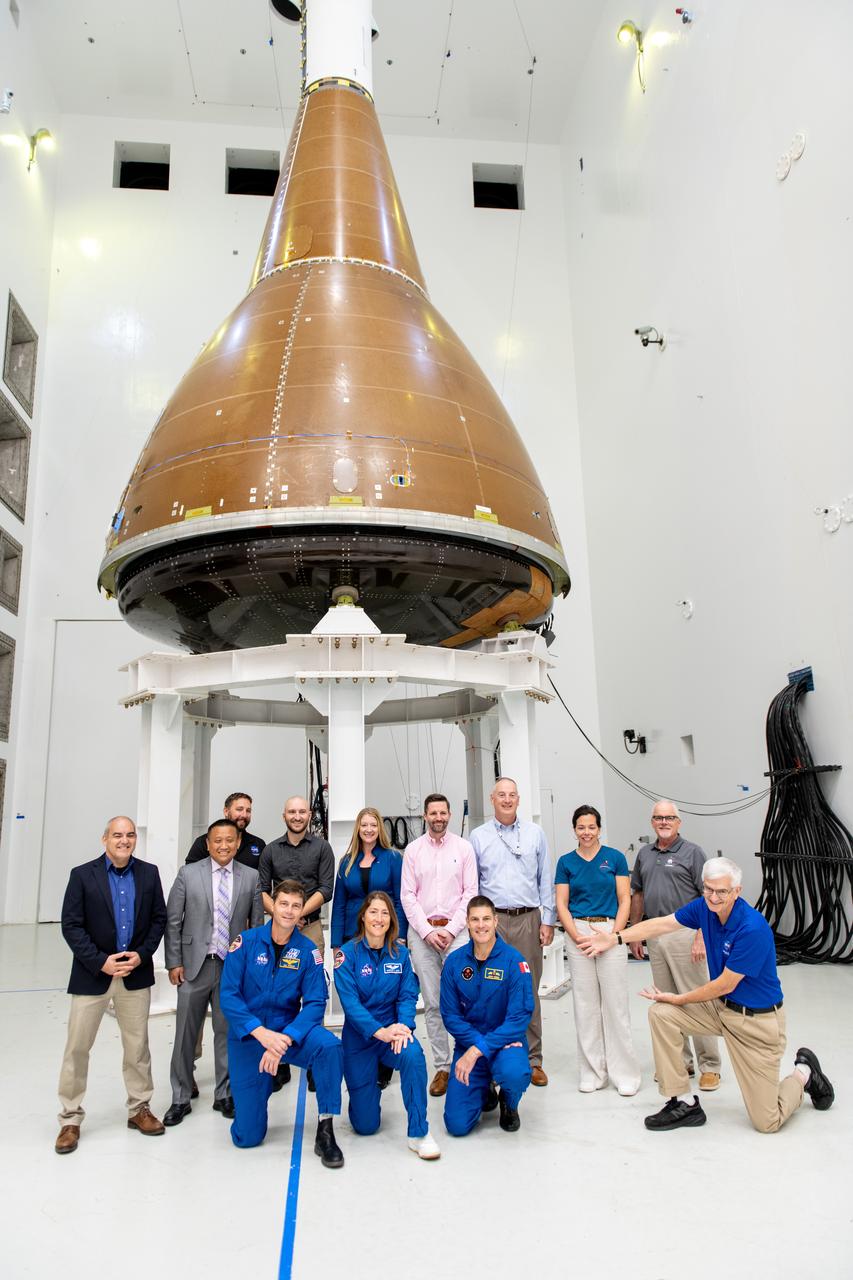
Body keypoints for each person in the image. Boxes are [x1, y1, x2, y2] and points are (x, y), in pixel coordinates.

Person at [578, 857, 835, 1133]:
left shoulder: (752, 928)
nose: (713, 897)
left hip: (756, 1022)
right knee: (662, 1014)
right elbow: (663, 924)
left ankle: (804, 1074)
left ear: (736, 891)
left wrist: (679, 998)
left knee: (767, 1121)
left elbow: (725, 984)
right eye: (708, 889)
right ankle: (683, 1102)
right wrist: (615, 938)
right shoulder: (705, 908)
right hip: (721, 1009)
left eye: (721, 891)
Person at [55, 816, 167, 1154]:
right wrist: (100, 961)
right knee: (77, 1048)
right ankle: (70, 1118)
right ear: (105, 838)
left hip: (134, 975)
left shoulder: (149, 873)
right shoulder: (82, 875)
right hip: (93, 975)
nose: (124, 840)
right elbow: (71, 925)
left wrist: (141, 955)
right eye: (117, 835)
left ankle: (139, 1108)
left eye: (130, 835)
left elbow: (158, 920)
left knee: (137, 1047)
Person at [219, 878, 346, 1166]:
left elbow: (315, 1002)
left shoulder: (308, 952)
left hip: (288, 1034)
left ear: (302, 911)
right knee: (247, 1137)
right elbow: (229, 996)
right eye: (284, 904)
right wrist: (261, 1034)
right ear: (272, 906)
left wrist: (285, 1039)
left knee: (329, 1047)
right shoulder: (245, 943)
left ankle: (325, 1130)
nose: (289, 911)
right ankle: (259, 1088)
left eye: (296, 906)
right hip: (250, 1037)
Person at [163, 818, 263, 1125]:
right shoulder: (188, 874)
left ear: (238, 843)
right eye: (217, 840)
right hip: (193, 965)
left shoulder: (251, 877)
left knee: (227, 1031)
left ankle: (225, 1094)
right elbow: (173, 921)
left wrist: (250, 968)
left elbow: (256, 927)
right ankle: (180, 1097)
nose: (223, 845)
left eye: (229, 840)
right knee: (185, 1034)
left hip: (232, 968)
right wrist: (174, 962)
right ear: (208, 844)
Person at [334, 890, 440, 1160]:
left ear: (392, 920)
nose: (378, 918)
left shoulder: (400, 954)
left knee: (413, 1055)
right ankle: (366, 1092)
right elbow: (351, 1005)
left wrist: (404, 1027)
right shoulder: (346, 955)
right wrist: (379, 1032)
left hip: (393, 1034)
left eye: (384, 913)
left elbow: (407, 995)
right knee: (365, 1126)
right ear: (363, 917)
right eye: (373, 912)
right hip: (360, 1039)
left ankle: (419, 1133)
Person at [630, 799, 721, 1091]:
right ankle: (681, 1062)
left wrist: (702, 936)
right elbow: (638, 893)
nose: (664, 822)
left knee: (696, 998)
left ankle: (710, 1065)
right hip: (656, 934)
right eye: (659, 818)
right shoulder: (645, 854)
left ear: (678, 822)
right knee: (666, 1001)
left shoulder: (693, 853)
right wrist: (635, 932)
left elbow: (708, 898)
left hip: (686, 934)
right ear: (652, 822)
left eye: (669, 818)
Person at [469, 777, 554, 1085]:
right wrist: (477, 926)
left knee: (528, 989)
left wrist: (548, 920)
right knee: (491, 991)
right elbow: (473, 884)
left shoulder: (535, 834)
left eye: (512, 795)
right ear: (492, 799)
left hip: (528, 919)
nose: (507, 800)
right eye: (501, 795)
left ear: (519, 799)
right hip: (491, 924)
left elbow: (545, 878)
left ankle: (533, 1059)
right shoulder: (478, 837)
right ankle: (494, 1057)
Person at [555, 804, 640, 1095]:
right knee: (585, 1005)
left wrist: (615, 936)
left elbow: (624, 899)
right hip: (578, 932)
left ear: (599, 829)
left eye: (591, 827)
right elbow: (561, 904)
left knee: (616, 1005)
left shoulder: (614, 858)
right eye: (581, 827)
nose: (587, 832)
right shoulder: (566, 862)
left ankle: (625, 1074)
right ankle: (593, 1071)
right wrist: (576, 936)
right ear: (574, 830)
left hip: (609, 930)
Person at [400, 792, 478, 1097]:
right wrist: (427, 932)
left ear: (449, 814)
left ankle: (467, 1059)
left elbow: (470, 892)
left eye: (443, 813)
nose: (438, 818)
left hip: (457, 933)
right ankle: (443, 1067)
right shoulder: (413, 851)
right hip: (423, 935)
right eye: (433, 813)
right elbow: (408, 896)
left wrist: (452, 929)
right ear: (425, 816)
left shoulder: (464, 848)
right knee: (433, 1003)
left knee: (465, 999)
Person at [440, 895, 534, 1136]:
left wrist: (479, 1049)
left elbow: (519, 1018)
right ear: (467, 923)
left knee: (515, 1073)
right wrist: (475, 1047)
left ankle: (508, 1102)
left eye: (486, 919)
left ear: (495, 921)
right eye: (475, 919)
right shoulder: (454, 963)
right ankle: (484, 1088)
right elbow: (450, 1016)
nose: (481, 925)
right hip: (469, 1044)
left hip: (505, 1044)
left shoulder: (514, 961)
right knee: (457, 1125)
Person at [257, 796, 334, 951]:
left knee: (312, 968)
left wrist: (295, 915)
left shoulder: (323, 848)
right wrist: (282, 916)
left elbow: (326, 890)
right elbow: (261, 891)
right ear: (284, 816)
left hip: (310, 928)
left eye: (302, 812)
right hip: (277, 928)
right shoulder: (270, 850)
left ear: (310, 815)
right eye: (292, 812)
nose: (297, 817)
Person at [330, 807, 407, 949]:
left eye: (373, 825)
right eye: (364, 825)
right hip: (351, 935)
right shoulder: (346, 862)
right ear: (358, 829)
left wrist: (400, 935)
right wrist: (336, 944)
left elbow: (400, 900)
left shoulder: (393, 858)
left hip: (385, 934)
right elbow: (339, 905)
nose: (369, 829)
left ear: (379, 828)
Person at [185, 792, 265, 868]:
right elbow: (190, 873)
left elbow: (263, 875)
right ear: (226, 811)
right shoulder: (203, 842)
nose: (244, 815)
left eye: (248, 811)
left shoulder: (258, 844)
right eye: (239, 809)